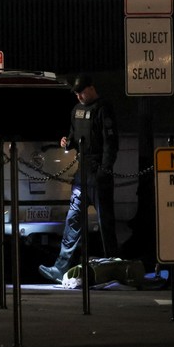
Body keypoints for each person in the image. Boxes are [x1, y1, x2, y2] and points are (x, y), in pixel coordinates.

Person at [39, 73, 119, 284]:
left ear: (91, 88)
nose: (79, 97)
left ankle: (114, 267)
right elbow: (74, 137)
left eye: (81, 92)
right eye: (76, 94)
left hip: (99, 175)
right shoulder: (76, 111)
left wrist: (105, 169)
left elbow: (111, 144)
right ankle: (60, 268)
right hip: (82, 175)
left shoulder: (103, 109)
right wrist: (67, 142)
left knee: (105, 224)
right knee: (73, 221)